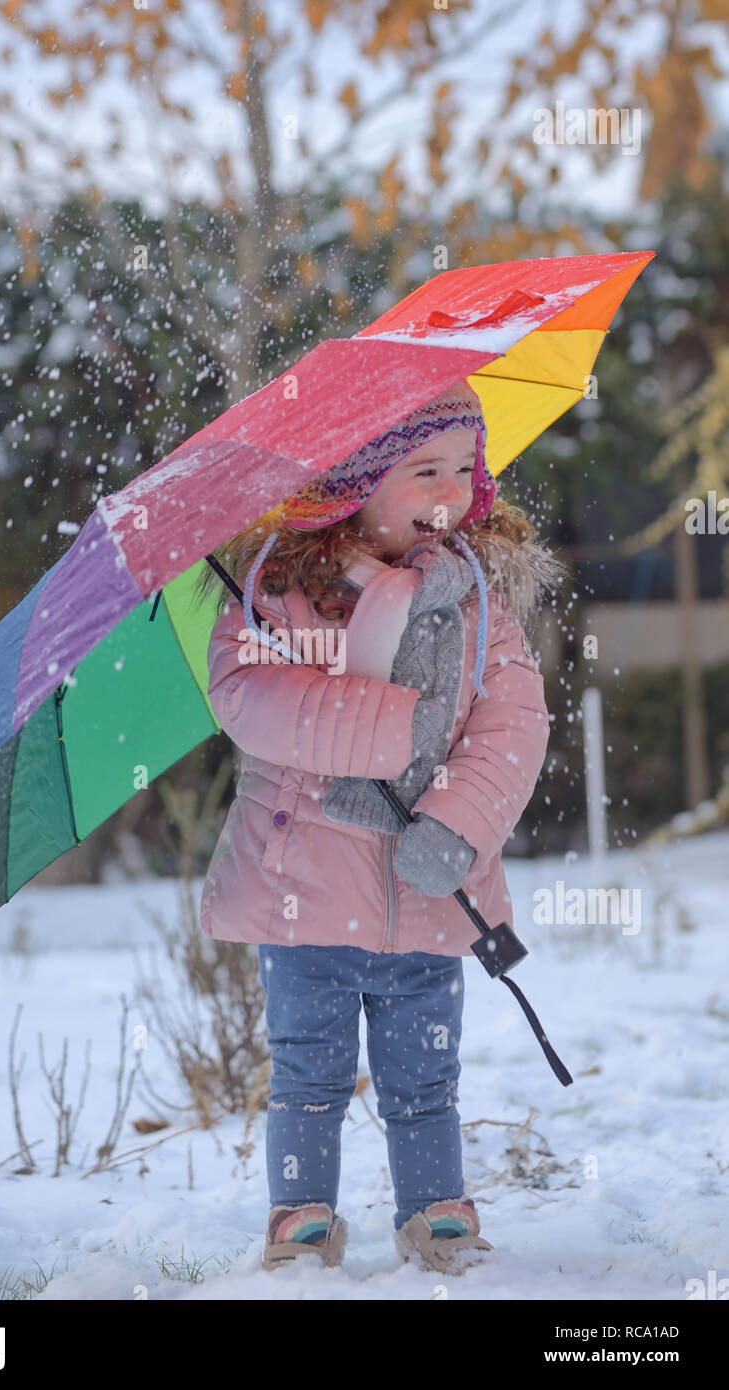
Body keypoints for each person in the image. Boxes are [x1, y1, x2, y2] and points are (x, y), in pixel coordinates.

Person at [192, 380, 567, 1276]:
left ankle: (435, 1211)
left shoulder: (476, 603)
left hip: (428, 890)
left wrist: (457, 823)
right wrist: (385, 724)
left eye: (462, 471)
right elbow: (248, 699)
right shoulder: (276, 595)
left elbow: (513, 724)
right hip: (300, 893)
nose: (447, 492)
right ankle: (302, 1217)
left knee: (423, 1078)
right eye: (421, 470)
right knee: (306, 1073)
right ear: (357, 479)